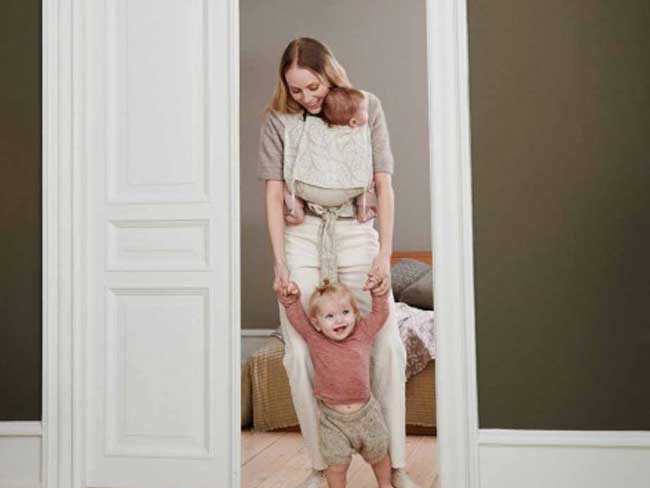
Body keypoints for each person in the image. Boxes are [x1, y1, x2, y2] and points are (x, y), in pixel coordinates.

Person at [257, 37, 420, 488]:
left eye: (313, 87)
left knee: (387, 347)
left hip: (354, 228)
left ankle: (396, 464)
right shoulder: (278, 121)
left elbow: (384, 185)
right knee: (299, 353)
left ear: (330, 74)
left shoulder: (367, 108)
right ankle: (320, 465)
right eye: (296, 90)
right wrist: (279, 263)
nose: (307, 98)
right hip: (302, 233)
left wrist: (384, 255)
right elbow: (272, 194)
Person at [276, 278, 392, 488]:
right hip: (332, 421)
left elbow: (380, 314)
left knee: (380, 456)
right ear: (317, 323)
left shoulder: (363, 332)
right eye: (329, 316)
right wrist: (291, 300)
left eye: (345, 312)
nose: (339, 320)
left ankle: (386, 485)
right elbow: (297, 319)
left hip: (367, 415)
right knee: (336, 466)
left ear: (355, 314)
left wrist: (378, 293)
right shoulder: (315, 338)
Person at [282, 87, 377, 225]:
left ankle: (296, 211)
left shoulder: (311, 127)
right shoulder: (358, 133)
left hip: (306, 187)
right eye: (364, 110)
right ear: (353, 122)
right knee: (368, 182)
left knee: (287, 185)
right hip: (347, 189)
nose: (367, 112)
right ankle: (363, 211)